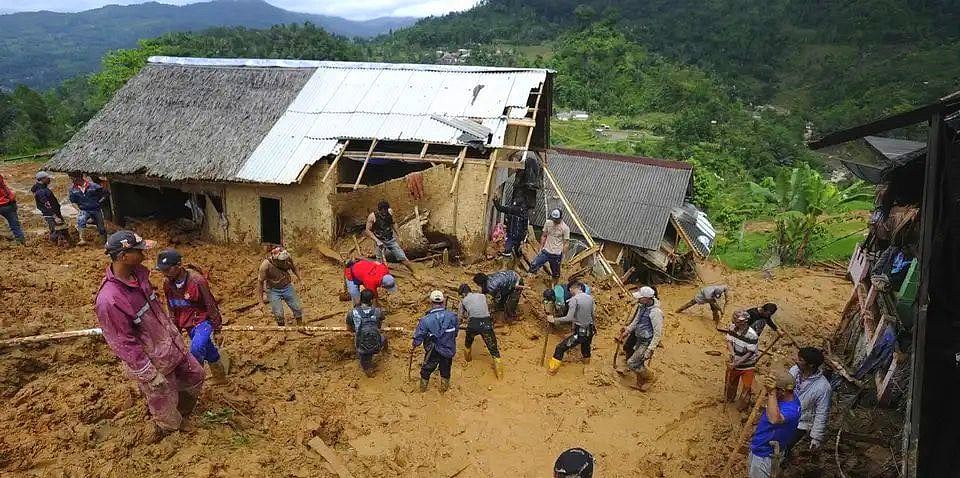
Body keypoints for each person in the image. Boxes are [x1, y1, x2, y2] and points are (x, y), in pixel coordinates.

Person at [94, 231, 204, 438]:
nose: (145, 254)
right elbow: (122, 343)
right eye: (139, 251)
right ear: (123, 256)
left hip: (171, 346)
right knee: (165, 408)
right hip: (154, 362)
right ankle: (170, 433)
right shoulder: (110, 300)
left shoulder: (140, 276)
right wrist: (149, 374)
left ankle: (183, 412)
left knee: (196, 375)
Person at [156, 249, 229, 385]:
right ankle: (221, 378)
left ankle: (195, 382)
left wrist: (218, 329)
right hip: (186, 323)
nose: (164, 273)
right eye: (162, 270)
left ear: (178, 266)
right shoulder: (167, 284)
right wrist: (174, 329)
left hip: (202, 321)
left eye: (167, 270)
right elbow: (171, 308)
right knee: (208, 349)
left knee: (196, 348)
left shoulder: (197, 281)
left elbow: (210, 304)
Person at [747, 370, 801, 478]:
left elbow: (773, 419)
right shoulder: (788, 397)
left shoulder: (792, 409)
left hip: (766, 455)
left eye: (775, 390)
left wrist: (772, 393)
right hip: (760, 446)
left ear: (782, 391)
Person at [786, 347, 832, 453]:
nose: (797, 361)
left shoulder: (823, 387)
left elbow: (822, 413)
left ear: (811, 365)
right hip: (784, 415)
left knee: (784, 447)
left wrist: (816, 438)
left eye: (801, 360)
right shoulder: (794, 371)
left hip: (800, 423)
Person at [412, 290, 459, 392]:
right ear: (442, 302)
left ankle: (422, 390)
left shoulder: (425, 319)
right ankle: (444, 390)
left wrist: (415, 344)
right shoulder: (452, 316)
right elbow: (455, 333)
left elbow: (418, 337)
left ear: (431, 303)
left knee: (426, 370)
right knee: (446, 370)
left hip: (433, 350)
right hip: (448, 349)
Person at [618, 286, 663, 391]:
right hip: (639, 337)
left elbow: (657, 333)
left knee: (632, 362)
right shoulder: (642, 306)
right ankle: (639, 383)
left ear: (647, 298)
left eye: (640, 297)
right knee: (639, 362)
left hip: (646, 342)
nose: (638, 299)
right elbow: (636, 321)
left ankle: (651, 377)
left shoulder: (655, 313)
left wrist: (650, 349)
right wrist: (628, 331)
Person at [547, 281, 595, 374]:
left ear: (573, 288)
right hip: (590, 330)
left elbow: (569, 318)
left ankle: (552, 371)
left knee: (560, 348)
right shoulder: (590, 298)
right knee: (585, 348)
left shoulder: (574, 300)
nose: (569, 291)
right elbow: (593, 316)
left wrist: (554, 320)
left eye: (570, 289)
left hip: (581, 332)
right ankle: (587, 368)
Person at [458, 284, 503, 379]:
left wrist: (459, 323)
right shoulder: (482, 296)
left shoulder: (463, 301)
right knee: (494, 350)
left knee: (468, 343)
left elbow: (459, 318)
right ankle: (500, 376)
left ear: (463, 293)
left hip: (473, 324)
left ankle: (468, 360)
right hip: (486, 324)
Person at [365, 200, 417, 276]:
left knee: (402, 256)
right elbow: (367, 230)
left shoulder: (390, 212)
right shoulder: (372, 217)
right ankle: (380, 278)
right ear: (379, 210)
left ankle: (414, 272)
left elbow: (394, 223)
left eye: (385, 211)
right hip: (379, 241)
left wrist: (399, 236)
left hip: (390, 240)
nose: (384, 213)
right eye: (382, 211)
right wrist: (377, 241)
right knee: (379, 262)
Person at [345, 289, 387, 377]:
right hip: (377, 344)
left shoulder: (352, 313)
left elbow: (349, 329)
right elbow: (380, 323)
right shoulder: (378, 311)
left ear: (360, 299)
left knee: (366, 363)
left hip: (361, 346)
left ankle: (369, 373)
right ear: (371, 300)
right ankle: (385, 350)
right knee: (384, 338)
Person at [258, 246, 303, 326]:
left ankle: (300, 325)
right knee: (278, 313)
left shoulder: (287, 258)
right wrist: (261, 302)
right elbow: (260, 282)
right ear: (275, 259)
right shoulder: (265, 265)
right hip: (273, 290)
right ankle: (282, 329)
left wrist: (301, 280)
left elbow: (294, 268)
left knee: (297, 307)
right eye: (281, 261)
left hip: (287, 286)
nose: (283, 262)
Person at [726, 310, 760, 404]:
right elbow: (729, 341)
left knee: (747, 387)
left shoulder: (752, 335)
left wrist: (737, 363)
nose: (735, 323)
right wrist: (732, 353)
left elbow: (749, 353)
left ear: (744, 322)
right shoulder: (732, 327)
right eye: (735, 321)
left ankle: (742, 406)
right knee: (730, 383)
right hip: (734, 360)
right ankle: (729, 399)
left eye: (737, 322)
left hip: (747, 364)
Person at [528, 209, 570, 284]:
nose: (554, 220)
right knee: (534, 264)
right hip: (546, 251)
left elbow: (566, 243)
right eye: (553, 218)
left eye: (556, 219)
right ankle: (529, 282)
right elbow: (544, 236)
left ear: (560, 218)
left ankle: (554, 286)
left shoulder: (565, 228)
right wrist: (541, 248)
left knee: (556, 274)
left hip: (556, 254)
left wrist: (563, 255)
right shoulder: (548, 223)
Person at [68, 172, 108, 245]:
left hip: (96, 209)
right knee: (81, 221)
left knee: (101, 226)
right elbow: (73, 201)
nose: (71, 180)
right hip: (84, 209)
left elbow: (105, 195)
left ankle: (103, 242)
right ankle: (82, 239)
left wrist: (98, 203)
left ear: (77, 177)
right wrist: (79, 210)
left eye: (72, 178)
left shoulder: (94, 186)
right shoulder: (72, 190)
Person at [31, 171, 68, 245]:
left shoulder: (41, 188)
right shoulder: (41, 191)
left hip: (53, 213)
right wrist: (55, 217)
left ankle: (59, 244)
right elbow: (47, 205)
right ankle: (55, 248)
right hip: (51, 214)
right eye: (48, 178)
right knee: (56, 230)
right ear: (42, 179)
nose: (49, 180)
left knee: (61, 229)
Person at [492, 191, 529, 261]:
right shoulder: (512, 210)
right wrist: (495, 200)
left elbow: (525, 228)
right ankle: (508, 264)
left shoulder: (522, 213)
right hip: (511, 236)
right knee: (507, 251)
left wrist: (522, 240)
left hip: (518, 237)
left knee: (517, 251)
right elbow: (499, 208)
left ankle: (517, 261)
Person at [0, 173, 25, 244]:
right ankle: (21, 242)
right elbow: (4, 188)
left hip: (6, 203)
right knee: (15, 225)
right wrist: (11, 196)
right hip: (7, 204)